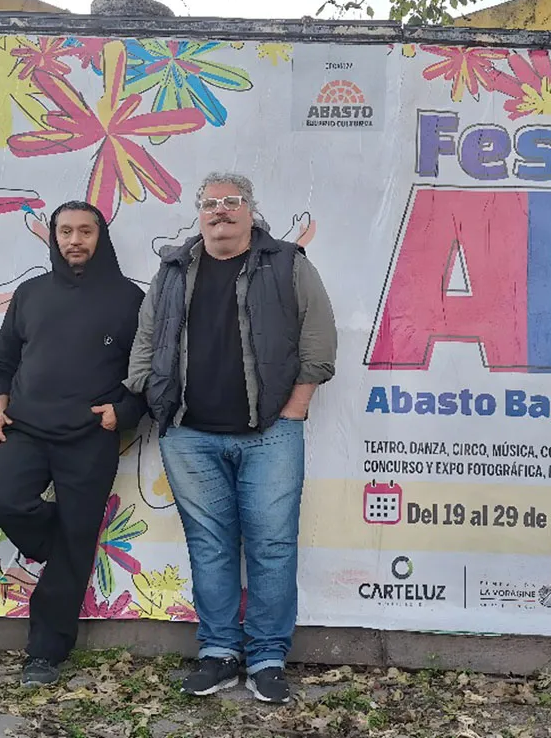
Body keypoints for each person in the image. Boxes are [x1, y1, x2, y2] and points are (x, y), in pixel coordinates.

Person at [124, 171, 337, 705]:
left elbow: (318, 336)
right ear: (199, 213)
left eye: (232, 201)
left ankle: (267, 658)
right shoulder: (172, 270)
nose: (221, 210)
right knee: (210, 546)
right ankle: (218, 652)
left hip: (269, 434)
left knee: (271, 546)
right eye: (210, 202)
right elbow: (147, 339)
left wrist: (296, 407)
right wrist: (154, 397)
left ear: (250, 209)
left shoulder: (287, 263)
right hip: (189, 436)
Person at [0, 201, 146, 688]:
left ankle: (45, 653)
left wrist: (122, 412)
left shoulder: (129, 299)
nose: (75, 240)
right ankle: (58, 539)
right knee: (0, 499)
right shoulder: (30, 294)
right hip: (26, 428)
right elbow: (2, 362)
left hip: (91, 436)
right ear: (54, 237)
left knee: (76, 543)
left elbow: (149, 371)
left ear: (99, 237)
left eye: (84, 231)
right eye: (65, 231)